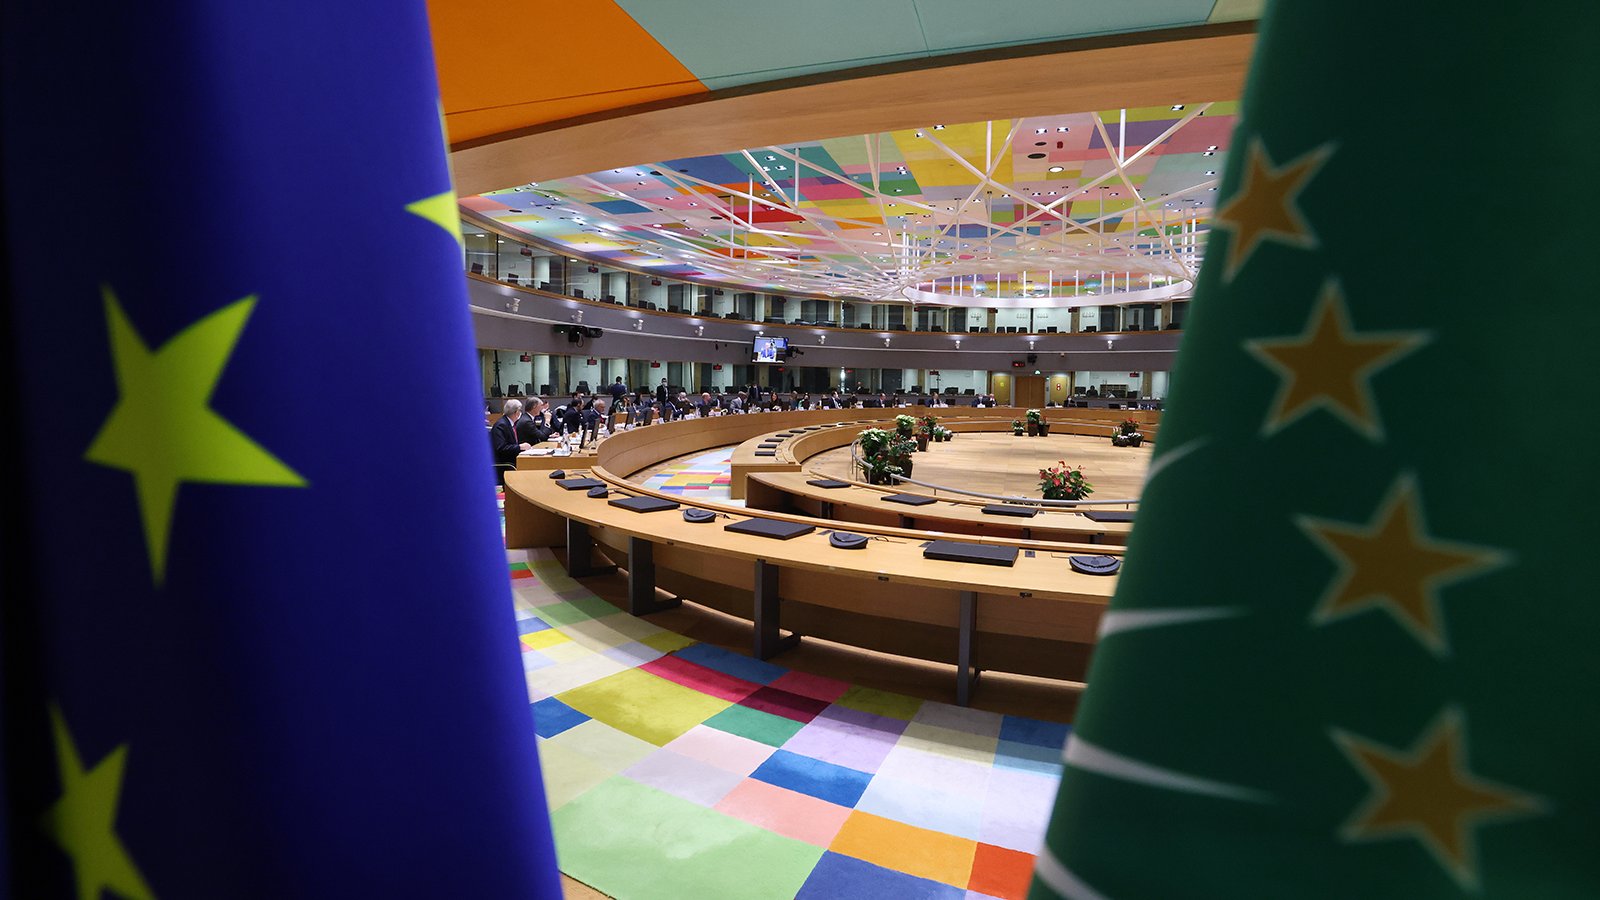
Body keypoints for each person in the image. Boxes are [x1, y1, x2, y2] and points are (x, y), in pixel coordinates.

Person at [491, 399, 535, 467]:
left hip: (513, 459)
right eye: (520, 411)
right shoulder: (501, 425)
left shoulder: (509, 423)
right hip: (506, 463)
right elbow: (501, 448)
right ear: (517, 412)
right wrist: (520, 447)